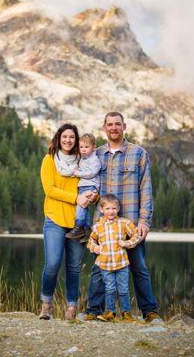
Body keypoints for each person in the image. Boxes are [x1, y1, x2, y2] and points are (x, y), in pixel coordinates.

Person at [85, 112, 161, 324]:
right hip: (104, 226)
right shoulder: (96, 155)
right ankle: (94, 310)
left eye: (117, 124)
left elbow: (146, 190)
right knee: (99, 269)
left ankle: (149, 311)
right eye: (110, 124)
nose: (114, 128)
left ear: (124, 126)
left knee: (139, 268)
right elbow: (87, 182)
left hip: (132, 226)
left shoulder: (138, 153)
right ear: (104, 128)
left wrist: (144, 221)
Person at [39, 123, 93, 320]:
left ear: (76, 140)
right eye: (65, 137)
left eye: (72, 137)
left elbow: (91, 183)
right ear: (58, 138)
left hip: (79, 222)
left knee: (73, 267)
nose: (68, 140)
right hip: (54, 218)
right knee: (52, 263)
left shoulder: (83, 161)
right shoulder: (49, 160)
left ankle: (71, 307)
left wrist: (92, 196)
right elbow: (50, 190)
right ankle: (46, 304)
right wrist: (75, 198)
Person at [87, 194, 141, 322]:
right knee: (109, 288)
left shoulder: (124, 223)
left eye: (113, 208)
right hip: (105, 265)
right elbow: (91, 241)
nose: (110, 211)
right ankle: (110, 312)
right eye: (107, 209)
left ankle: (126, 313)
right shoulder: (98, 226)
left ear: (118, 209)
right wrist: (95, 247)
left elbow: (136, 235)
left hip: (121, 263)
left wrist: (127, 243)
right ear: (101, 210)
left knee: (123, 289)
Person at [54, 133, 101, 243]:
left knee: (81, 206)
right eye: (81, 147)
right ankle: (87, 229)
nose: (83, 150)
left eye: (86, 147)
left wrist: (78, 173)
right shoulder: (82, 158)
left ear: (93, 147)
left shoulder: (94, 159)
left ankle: (79, 226)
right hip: (84, 186)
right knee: (84, 208)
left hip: (90, 185)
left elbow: (92, 172)